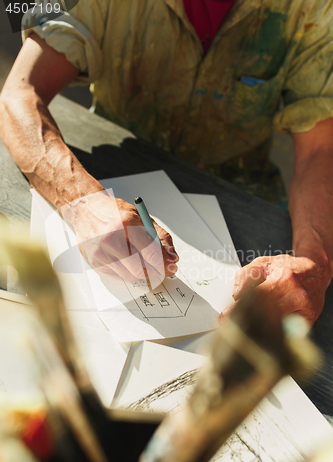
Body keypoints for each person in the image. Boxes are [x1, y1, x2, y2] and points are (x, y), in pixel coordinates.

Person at [0, 0, 333, 325]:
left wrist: (314, 262)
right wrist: (84, 204)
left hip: (243, 200)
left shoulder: (315, 8)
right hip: (111, 176)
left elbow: (320, 151)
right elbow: (17, 97)